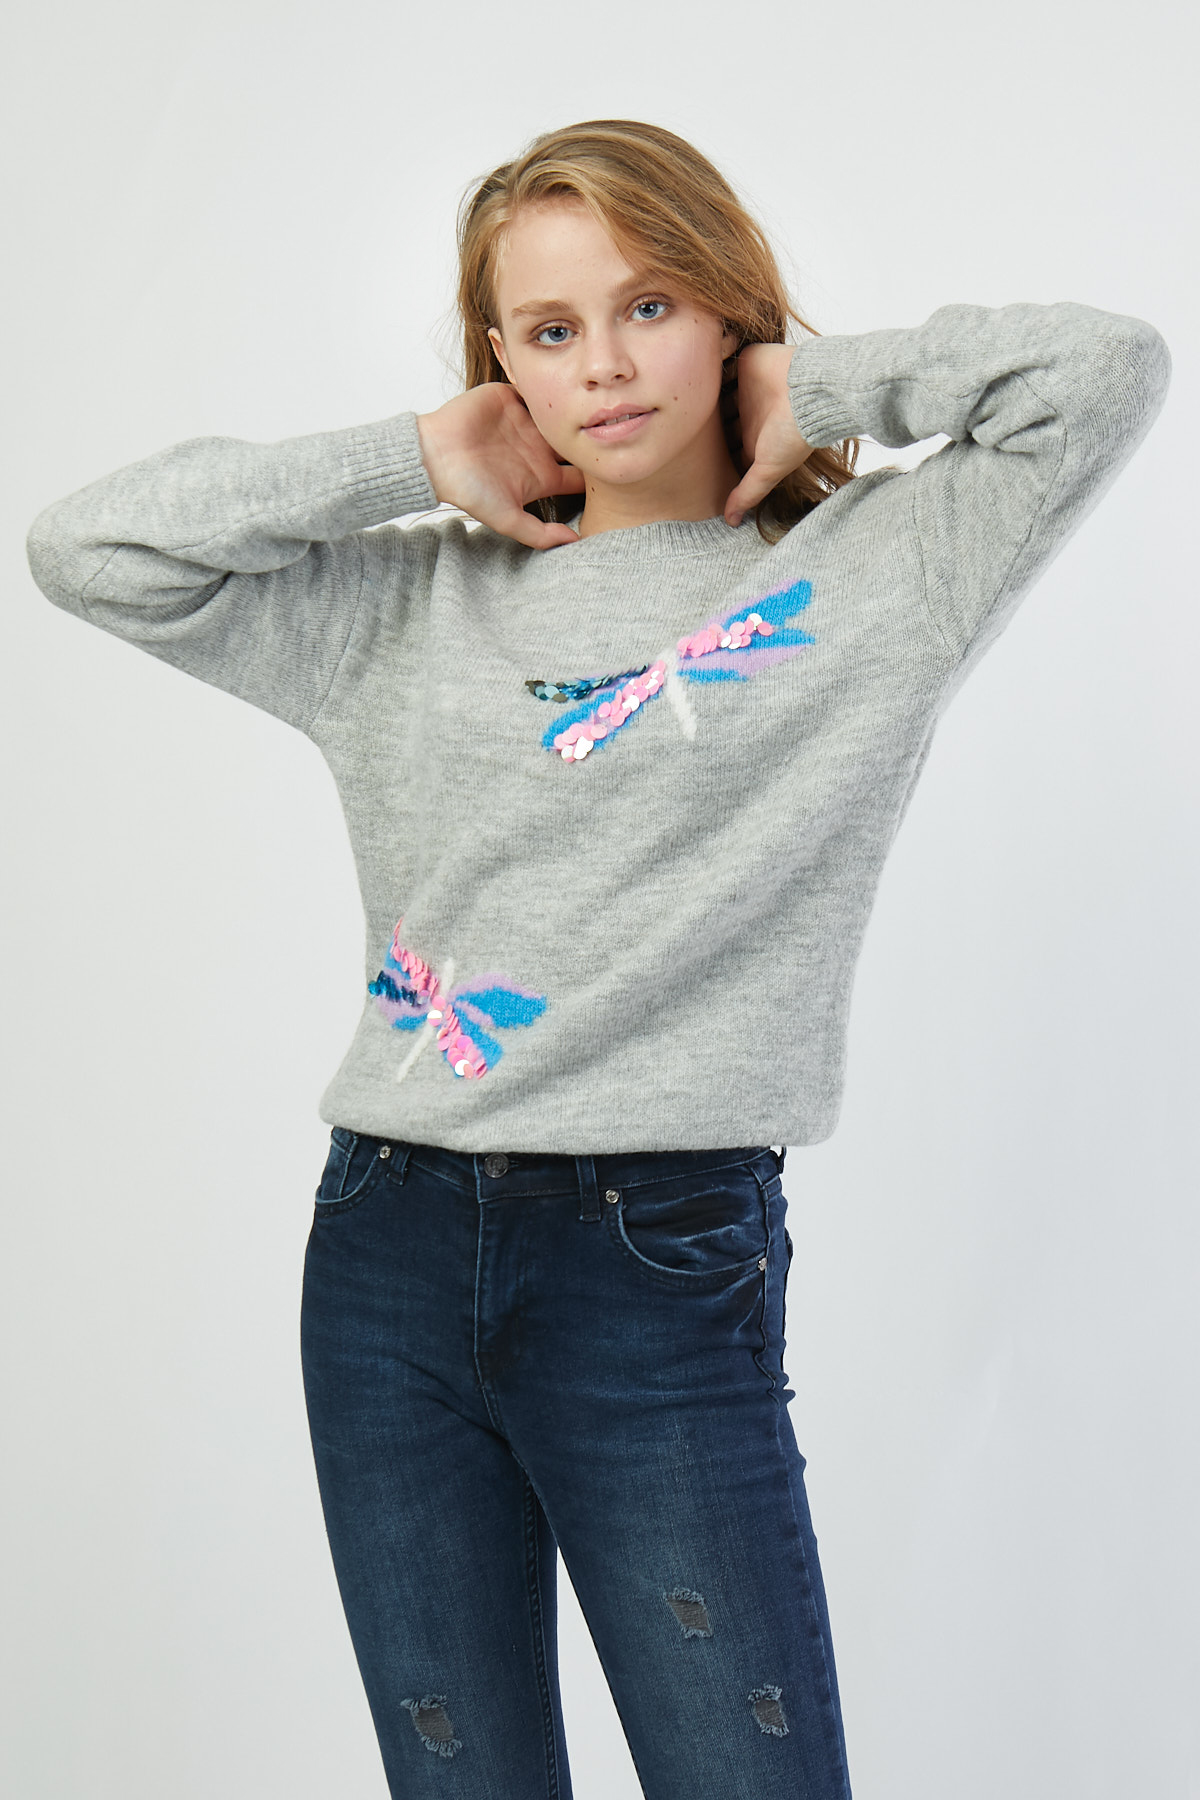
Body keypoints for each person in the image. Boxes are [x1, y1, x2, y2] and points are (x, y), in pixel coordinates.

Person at [25, 117, 1170, 1800]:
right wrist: (414, 455)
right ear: (501, 362)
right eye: (550, 331)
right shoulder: (404, 606)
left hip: (656, 1256)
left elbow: (1105, 370)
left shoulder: (880, 572)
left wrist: (816, 386)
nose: (606, 367)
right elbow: (89, 548)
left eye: (649, 306)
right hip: (387, 1245)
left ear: (726, 309)